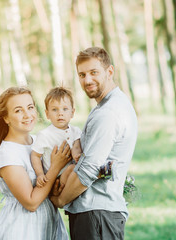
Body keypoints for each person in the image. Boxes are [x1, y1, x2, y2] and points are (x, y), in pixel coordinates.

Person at [50, 47, 138, 240]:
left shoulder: (108, 113)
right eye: (82, 74)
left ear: (110, 72)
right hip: (97, 214)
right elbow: (101, 160)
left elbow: (89, 169)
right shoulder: (108, 105)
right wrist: (77, 144)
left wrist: (59, 200)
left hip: (96, 215)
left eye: (93, 72)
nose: (87, 80)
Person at [0, 87, 70, 240]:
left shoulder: (38, 142)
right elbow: (31, 203)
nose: (27, 115)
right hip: (22, 229)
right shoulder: (8, 154)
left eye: (30, 107)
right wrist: (56, 166)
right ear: (6, 118)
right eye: (18, 111)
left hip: (49, 224)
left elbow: (49, 186)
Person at [31, 87, 82, 188]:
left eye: (65, 109)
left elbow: (76, 146)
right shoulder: (44, 134)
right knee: (73, 168)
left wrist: (77, 155)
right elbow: (35, 156)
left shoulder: (75, 131)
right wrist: (40, 174)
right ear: (47, 114)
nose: (60, 113)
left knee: (77, 169)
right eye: (54, 110)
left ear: (72, 112)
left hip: (71, 173)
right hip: (55, 178)